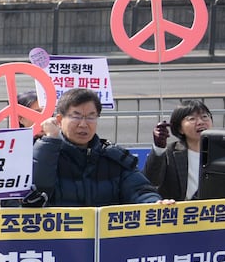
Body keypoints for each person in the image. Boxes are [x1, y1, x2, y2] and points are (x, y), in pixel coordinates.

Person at [34, 88, 162, 207]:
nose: (83, 124)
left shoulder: (112, 157)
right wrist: (51, 140)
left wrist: (155, 203)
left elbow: (140, 191)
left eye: (91, 117)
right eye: (76, 116)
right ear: (59, 120)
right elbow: (36, 190)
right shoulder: (47, 154)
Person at [143, 99, 213, 202]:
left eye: (204, 117)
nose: (200, 122)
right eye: (192, 119)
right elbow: (151, 181)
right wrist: (159, 147)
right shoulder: (170, 153)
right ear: (180, 128)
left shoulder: (222, 152)